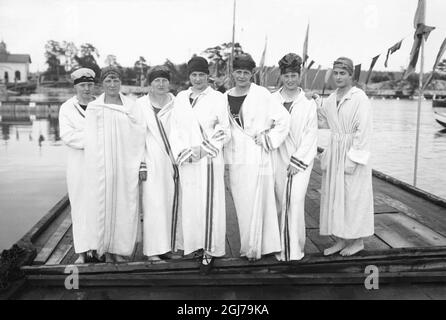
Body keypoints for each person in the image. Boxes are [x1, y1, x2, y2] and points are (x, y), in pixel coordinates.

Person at [224, 54, 290, 261]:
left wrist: (268, 139)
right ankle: (249, 245)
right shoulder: (225, 96)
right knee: (243, 202)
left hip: (257, 153)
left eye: (246, 72)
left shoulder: (261, 94)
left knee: (262, 200)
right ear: (233, 73)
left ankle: (266, 246)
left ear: (252, 74)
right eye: (238, 72)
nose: (242, 76)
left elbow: (283, 119)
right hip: (236, 157)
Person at [169, 56, 230, 273]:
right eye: (194, 75)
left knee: (210, 203)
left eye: (202, 75)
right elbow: (173, 129)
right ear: (189, 76)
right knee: (191, 203)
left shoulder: (217, 98)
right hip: (187, 158)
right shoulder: (181, 98)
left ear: (208, 76)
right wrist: (184, 152)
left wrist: (204, 150)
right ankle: (194, 245)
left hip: (208, 159)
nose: (197, 79)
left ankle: (210, 250)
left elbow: (225, 129)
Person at [83, 66, 146, 263]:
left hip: (126, 165)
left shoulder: (131, 105)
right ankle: (104, 250)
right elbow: (90, 139)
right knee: (102, 206)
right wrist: (94, 166)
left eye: (116, 81)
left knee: (125, 206)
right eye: (108, 81)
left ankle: (119, 250)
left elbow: (140, 133)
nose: (112, 85)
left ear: (121, 83)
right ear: (102, 83)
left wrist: (140, 164)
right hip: (102, 167)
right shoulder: (94, 108)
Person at [316, 57, 374, 257]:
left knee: (353, 197)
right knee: (334, 196)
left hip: (351, 151)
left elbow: (364, 130)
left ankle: (357, 241)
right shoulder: (332, 98)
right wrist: (316, 107)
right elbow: (325, 123)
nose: (338, 77)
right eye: (336, 73)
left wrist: (353, 159)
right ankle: (340, 239)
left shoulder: (359, 97)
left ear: (351, 75)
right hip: (335, 150)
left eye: (343, 73)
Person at [272, 53, 318, 261]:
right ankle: (277, 245)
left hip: (301, 160)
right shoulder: (272, 100)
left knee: (295, 200)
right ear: (281, 76)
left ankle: (294, 249)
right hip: (276, 157)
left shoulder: (307, 103)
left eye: (294, 75)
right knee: (279, 200)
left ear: (300, 76)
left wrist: (298, 161)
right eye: (287, 76)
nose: (290, 80)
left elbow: (311, 135)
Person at [136, 66, 178, 261]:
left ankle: (167, 248)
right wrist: (141, 163)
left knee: (170, 202)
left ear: (169, 83)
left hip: (173, 160)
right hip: (151, 159)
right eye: (156, 81)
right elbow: (136, 138)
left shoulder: (177, 103)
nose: (161, 84)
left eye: (164, 80)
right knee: (153, 204)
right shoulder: (140, 105)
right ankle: (153, 251)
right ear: (150, 84)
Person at [59, 68, 96, 264]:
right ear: (75, 87)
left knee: (99, 206)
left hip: (100, 165)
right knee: (80, 207)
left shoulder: (101, 105)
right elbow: (68, 136)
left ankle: (99, 249)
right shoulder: (66, 108)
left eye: (90, 84)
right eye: (82, 85)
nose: (87, 89)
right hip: (78, 166)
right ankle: (82, 251)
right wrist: (95, 139)